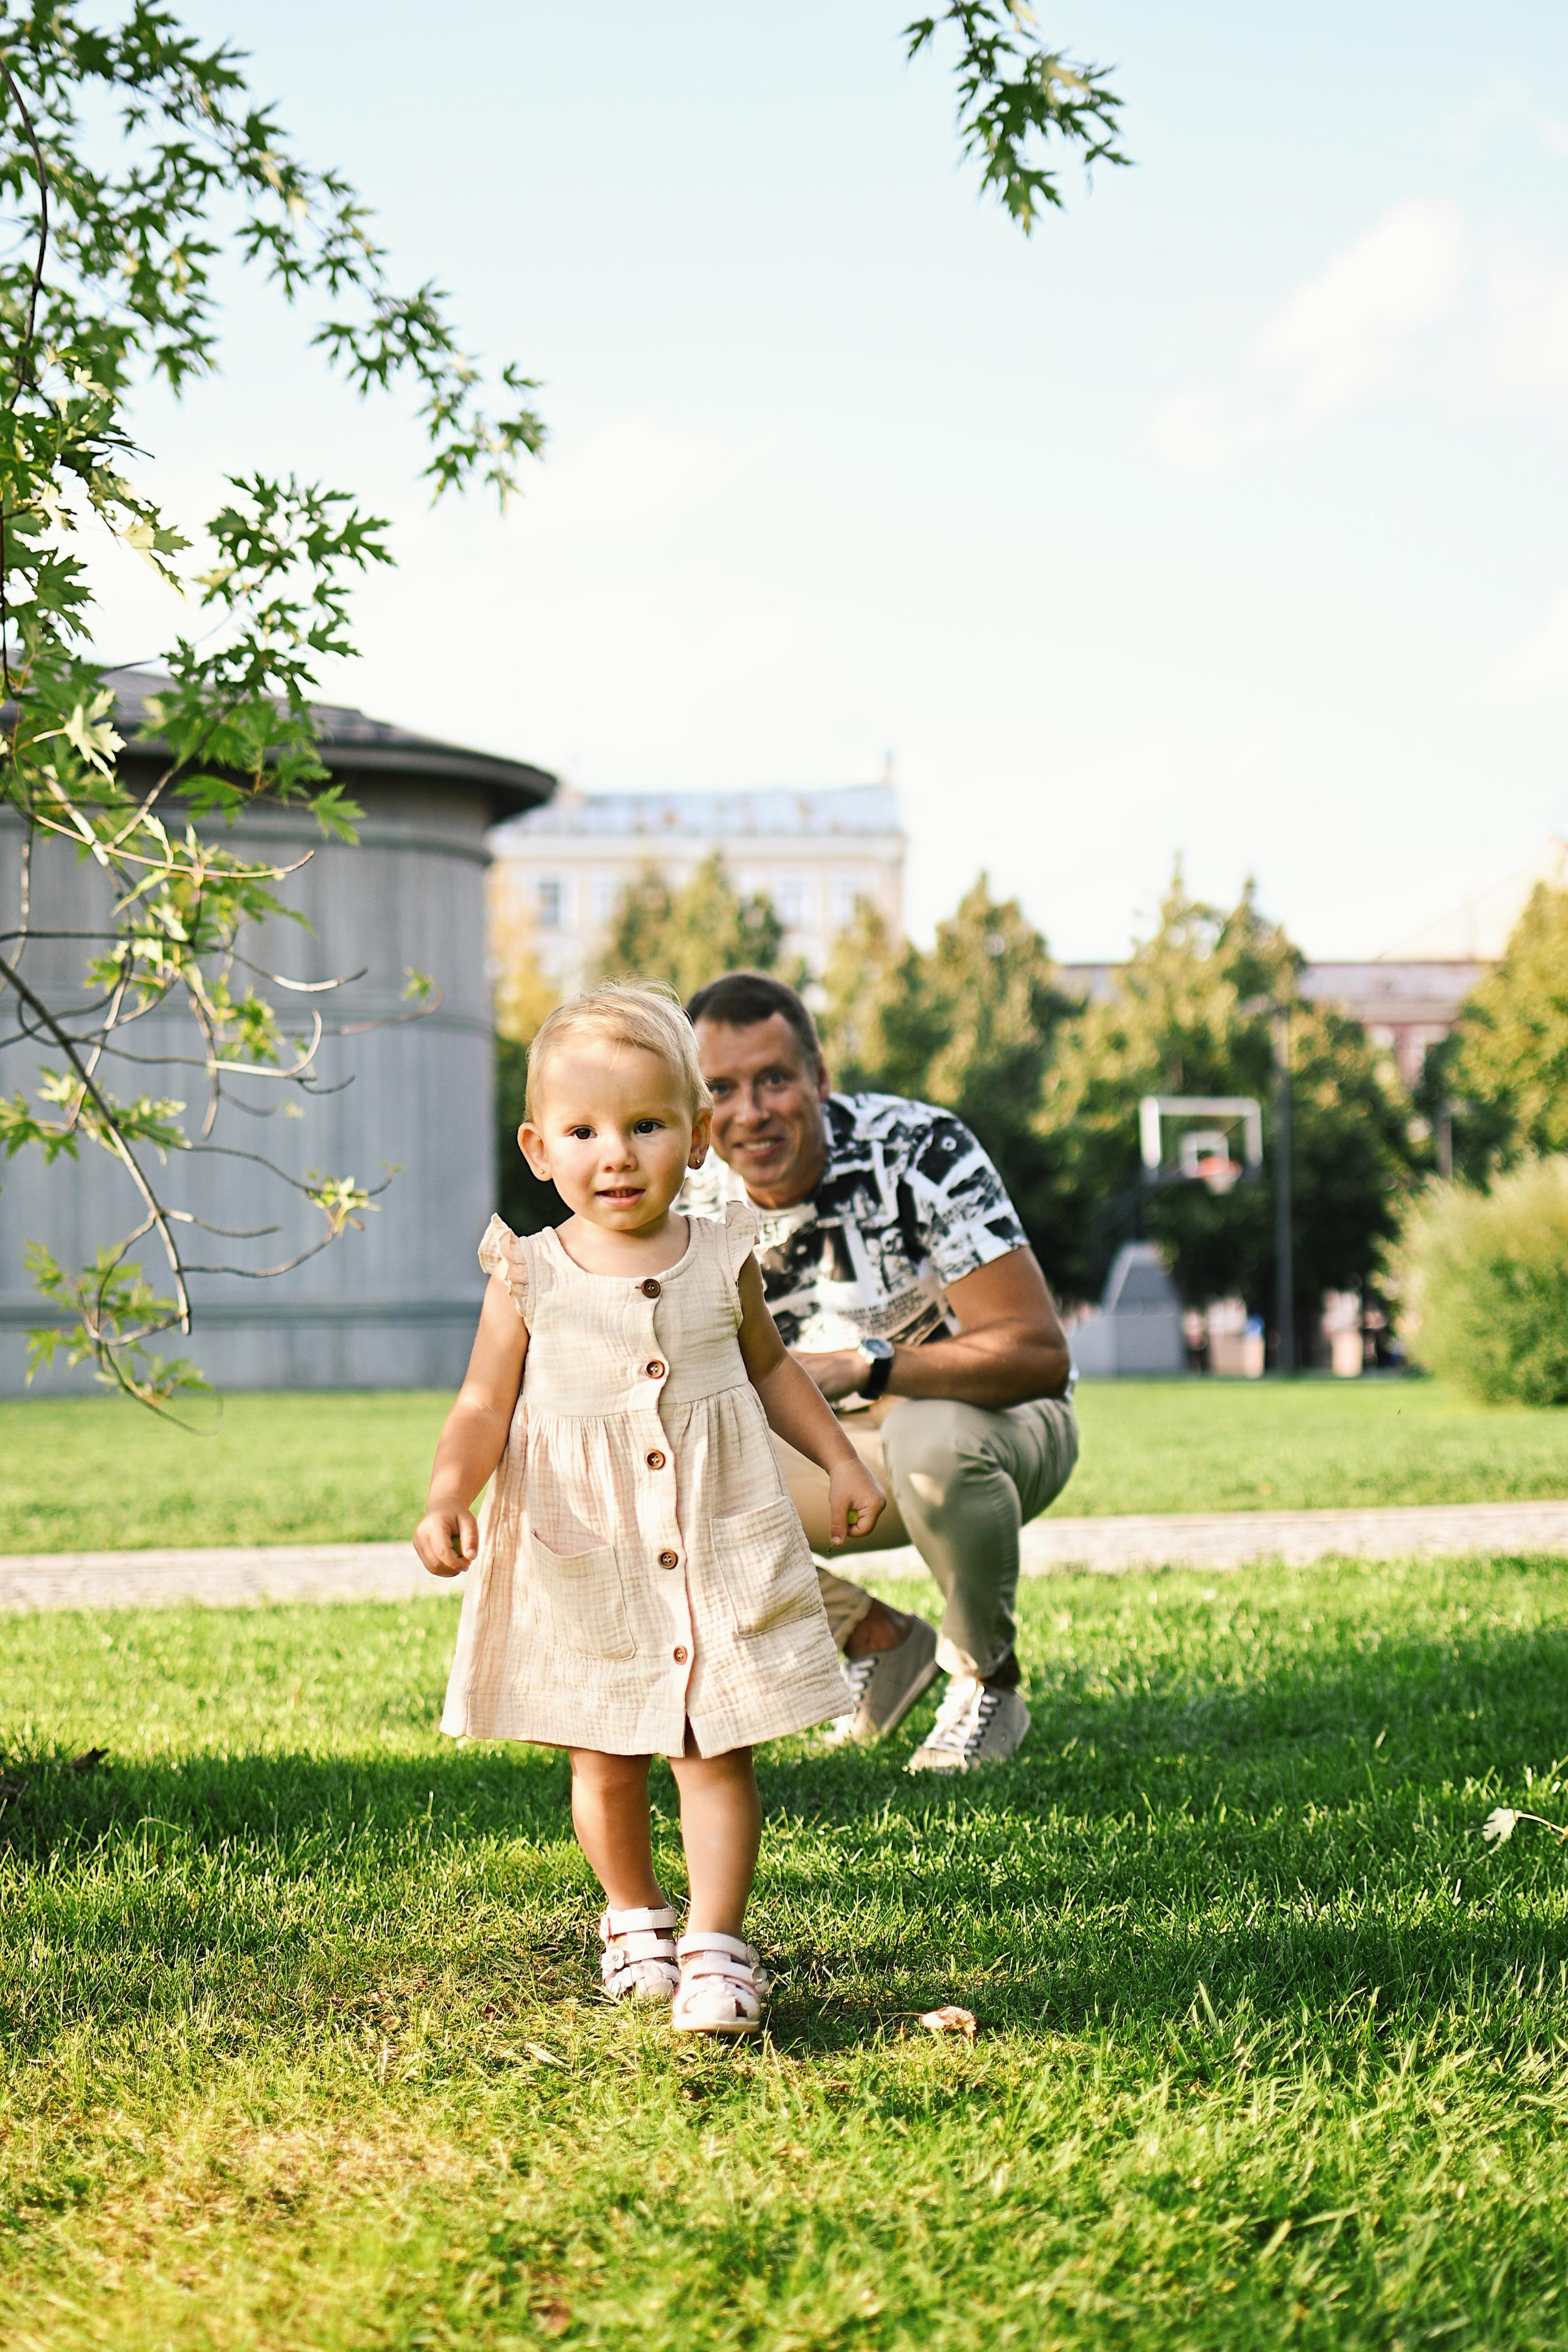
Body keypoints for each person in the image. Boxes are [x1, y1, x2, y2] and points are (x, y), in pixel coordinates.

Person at [413, 984, 885, 2035]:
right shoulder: (529, 1273)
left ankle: (718, 1944)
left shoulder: (721, 1258)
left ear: (699, 1136)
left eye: (645, 1125)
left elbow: (776, 1377)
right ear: (539, 1148)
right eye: (583, 1131)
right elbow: (484, 1400)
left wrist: (841, 1460)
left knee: (715, 1753)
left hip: (714, 1537)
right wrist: (452, 1490)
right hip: (588, 1548)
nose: (615, 1155)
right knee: (605, 1752)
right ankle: (632, 1914)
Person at [683, 970, 1077, 1773]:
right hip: (833, 1453)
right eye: (721, 1088)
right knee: (645, 1474)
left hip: (989, 1428)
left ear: (821, 1080)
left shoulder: (920, 1151)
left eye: (774, 1080)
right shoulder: (687, 1196)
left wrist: (868, 1365)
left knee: (935, 1437)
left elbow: (1038, 1355)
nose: (750, 1112)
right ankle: (874, 1637)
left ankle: (987, 1683)